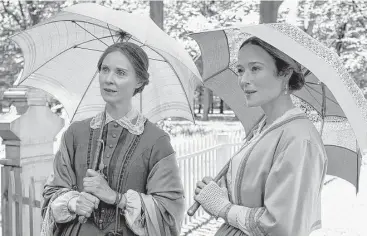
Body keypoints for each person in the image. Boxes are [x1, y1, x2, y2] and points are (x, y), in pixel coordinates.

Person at [41, 42, 185, 236]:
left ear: (140, 81)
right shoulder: (75, 133)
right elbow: (51, 193)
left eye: (121, 73)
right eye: (104, 69)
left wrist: (116, 198)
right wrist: (74, 202)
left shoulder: (156, 141)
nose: (108, 79)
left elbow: (168, 212)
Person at [193, 37, 328, 236]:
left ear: (285, 74)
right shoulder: (265, 128)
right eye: (240, 70)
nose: (244, 80)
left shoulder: (299, 140)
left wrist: (224, 208)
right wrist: (220, 193)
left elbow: (282, 227)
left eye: (255, 68)